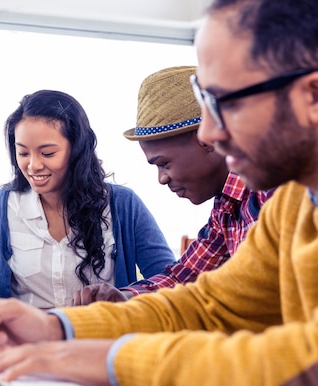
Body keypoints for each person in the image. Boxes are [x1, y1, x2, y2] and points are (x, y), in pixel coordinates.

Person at [0, 0, 318, 386]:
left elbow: (306, 370)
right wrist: (56, 327)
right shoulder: (291, 202)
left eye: (226, 102)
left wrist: (109, 361)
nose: (211, 132)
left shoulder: (127, 203)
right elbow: (206, 304)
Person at [0, 90, 175, 309]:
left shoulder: (123, 205)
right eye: (23, 153)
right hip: (26, 343)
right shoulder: (1, 207)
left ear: (76, 150)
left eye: (47, 153)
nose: (33, 165)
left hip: (99, 339)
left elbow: (171, 280)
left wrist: (125, 298)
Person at [73, 65, 275, 304]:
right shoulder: (226, 207)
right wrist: (124, 296)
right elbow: (185, 276)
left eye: (164, 164)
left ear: (207, 139)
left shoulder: (273, 192)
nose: (162, 179)